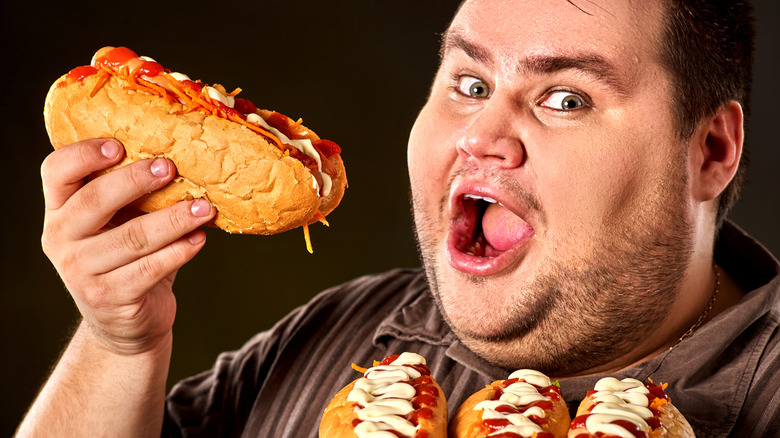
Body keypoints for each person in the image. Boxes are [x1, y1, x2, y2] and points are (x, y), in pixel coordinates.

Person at [17, 0, 779, 437]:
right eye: (470, 83)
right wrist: (120, 343)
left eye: (566, 99)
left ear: (710, 151)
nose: (480, 137)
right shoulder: (342, 330)